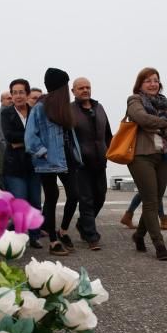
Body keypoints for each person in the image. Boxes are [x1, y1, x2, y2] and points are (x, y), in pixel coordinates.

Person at [25, 68, 81, 256]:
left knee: (74, 195)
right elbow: (30, 136)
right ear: (60, 87)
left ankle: (63, 230)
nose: (67, 88)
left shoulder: (65, 107)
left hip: (67, 158)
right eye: (65, 85)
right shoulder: (40, 108)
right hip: (47, 160)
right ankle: (53, 241)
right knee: (51, 197)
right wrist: (44, 153)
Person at [126, 67, 167, 261]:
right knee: (150, 201)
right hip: (141, 156)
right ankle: (159, 245)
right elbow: (141, 118)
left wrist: (160, 125)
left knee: (155, 200)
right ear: (140, 84)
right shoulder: (134, 100)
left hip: (163, 156)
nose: (153, 84)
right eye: (148, 80)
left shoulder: (165, 104)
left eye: (155, 80)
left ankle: (139, 235)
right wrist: (165, 125)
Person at [71, 77, 112, 250]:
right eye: (81, 88)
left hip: (100, 161)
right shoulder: (70, 110)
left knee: (100, 197)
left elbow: (108, 134)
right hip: (81, 164)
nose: (85, 90)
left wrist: (111, 151)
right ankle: (91, 236)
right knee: (86, 200)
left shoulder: (99, 107)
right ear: (73, 91)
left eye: (87, 87)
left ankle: (83, 224)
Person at [1, 79, 43, 248]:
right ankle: (18, 237)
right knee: (20, 202)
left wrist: (24, 140)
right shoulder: (6, 113)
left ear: (27, 94)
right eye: (15, 93)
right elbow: (10, 137)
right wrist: (30, 139)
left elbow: (41, 136)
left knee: (35, 202)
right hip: (14, 167)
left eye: (21, 92)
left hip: (34, 165)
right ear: (11, 95)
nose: (18, 96)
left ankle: (34, 236)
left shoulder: (36, 113)